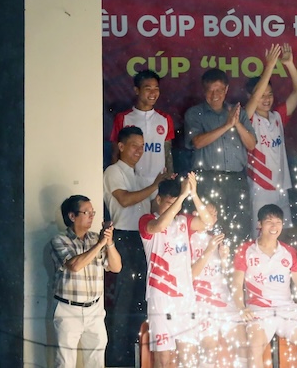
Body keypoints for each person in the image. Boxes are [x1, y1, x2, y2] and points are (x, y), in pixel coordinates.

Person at [103, 125, 173, 367]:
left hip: (143, 239)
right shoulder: (113, 171)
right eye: (134, 146)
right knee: (123, 302)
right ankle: (118, 360)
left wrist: (166, 190)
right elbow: (124, 200)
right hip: (124, 238)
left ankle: (136, 356)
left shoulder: (140, 175)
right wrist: (155, 185)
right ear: (121, 146)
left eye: (142, 147)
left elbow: (152, 206)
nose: (139, 151)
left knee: (140, 301)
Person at [232, 204, 297, 368]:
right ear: (259, 224)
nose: (274, 227)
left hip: (287, 309)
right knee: (254, 350)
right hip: (259, 310)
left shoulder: (290, 252)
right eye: (269, 222)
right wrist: (241, 307)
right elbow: (236, 284)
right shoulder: (245, 250)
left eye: (278, 222)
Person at [139, 172, 213, 368]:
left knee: (188, 355)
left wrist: (193, 194)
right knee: (163, 359)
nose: (174, 207)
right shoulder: (146, 220)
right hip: (160, 297)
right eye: (169, 203)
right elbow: (158, 226)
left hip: (185, 297)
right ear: (158, 199)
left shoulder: (183, 221)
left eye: (176, 203)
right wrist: (180, 197)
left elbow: (208, 222)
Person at [184, 68, 257, 243]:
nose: (215, 95)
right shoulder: (195, 113)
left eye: (219, 90)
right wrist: (227, 125)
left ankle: (233, 260)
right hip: (207, 179)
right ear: (203, 91)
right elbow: (197, 142)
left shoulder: (238, 112)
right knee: (209, 227)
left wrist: (236, 123)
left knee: (238, 228)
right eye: (210, 90)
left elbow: (251, 144)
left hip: (236, 179)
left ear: (226, 90)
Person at [51, 195, 122, 368]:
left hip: (95, 309)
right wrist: (100, 244)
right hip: (68, 309)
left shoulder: (95, 238)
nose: (92, 216)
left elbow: (116, 267)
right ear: (72, 216)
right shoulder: (59, 240)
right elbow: (74, 266)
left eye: (93, 212)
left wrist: (109, 243)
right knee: (65, 362)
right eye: (87, 212)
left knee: (96, 361)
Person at [244, 43, 297, 237]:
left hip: (281, 185)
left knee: (282, 233)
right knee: (261, 235)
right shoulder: (248, 117)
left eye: (270, 94)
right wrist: (269, 66)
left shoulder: (277, 116)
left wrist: (289, 64)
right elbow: (254, 101)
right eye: (262, 95)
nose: (266, 99)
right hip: (259, 187)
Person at [190, 203, 249, 368]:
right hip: (201, 300)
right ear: (195, 213)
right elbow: (189, 275)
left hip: (222, 298)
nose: (212, 218)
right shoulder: (187, 238)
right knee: (210, 349)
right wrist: (209, 250)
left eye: (215, 214)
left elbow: (227, 277)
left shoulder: (216, 239)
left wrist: (224, 260)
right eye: (209, 213)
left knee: (243, 345)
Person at [109, 69, 175, 188]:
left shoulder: (165, 119)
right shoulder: (123, 118)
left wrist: (169, 176)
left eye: (156, 88)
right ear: (137, 90)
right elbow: (115, 152)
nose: (153, 93)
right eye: (148, 89)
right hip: (131, 182)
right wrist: (116, 182)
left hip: (158, 183)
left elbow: (167, 151)